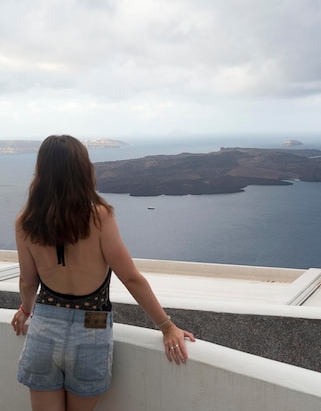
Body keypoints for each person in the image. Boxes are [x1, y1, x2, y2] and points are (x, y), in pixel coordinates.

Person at [11, 134, 195, 411]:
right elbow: (131, 278)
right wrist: (167, 326)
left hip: (44, 328)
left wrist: (26, 311)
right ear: (83, 170)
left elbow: (28, 282)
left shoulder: (26, 222)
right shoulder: (99, 217)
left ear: (42, 172)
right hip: (92, 327)